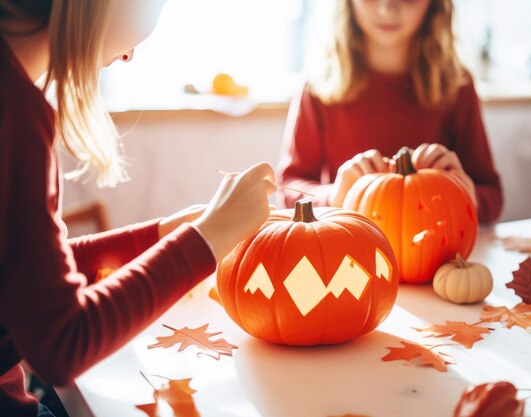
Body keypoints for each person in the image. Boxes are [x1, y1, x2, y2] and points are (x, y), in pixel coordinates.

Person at [0, 1, 275, 416]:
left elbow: (24, 280)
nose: (130, 54)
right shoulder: (14, 110)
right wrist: (207, 240)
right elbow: (61, 345)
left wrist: (157, 236)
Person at [277, 0, 503, 223]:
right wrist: (334, 196)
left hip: (436, 249)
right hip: (347, 248)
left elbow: (493, 196)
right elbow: (288, 186)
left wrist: (466, 192)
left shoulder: (456, 83)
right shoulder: (318, 82)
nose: (387, 9)